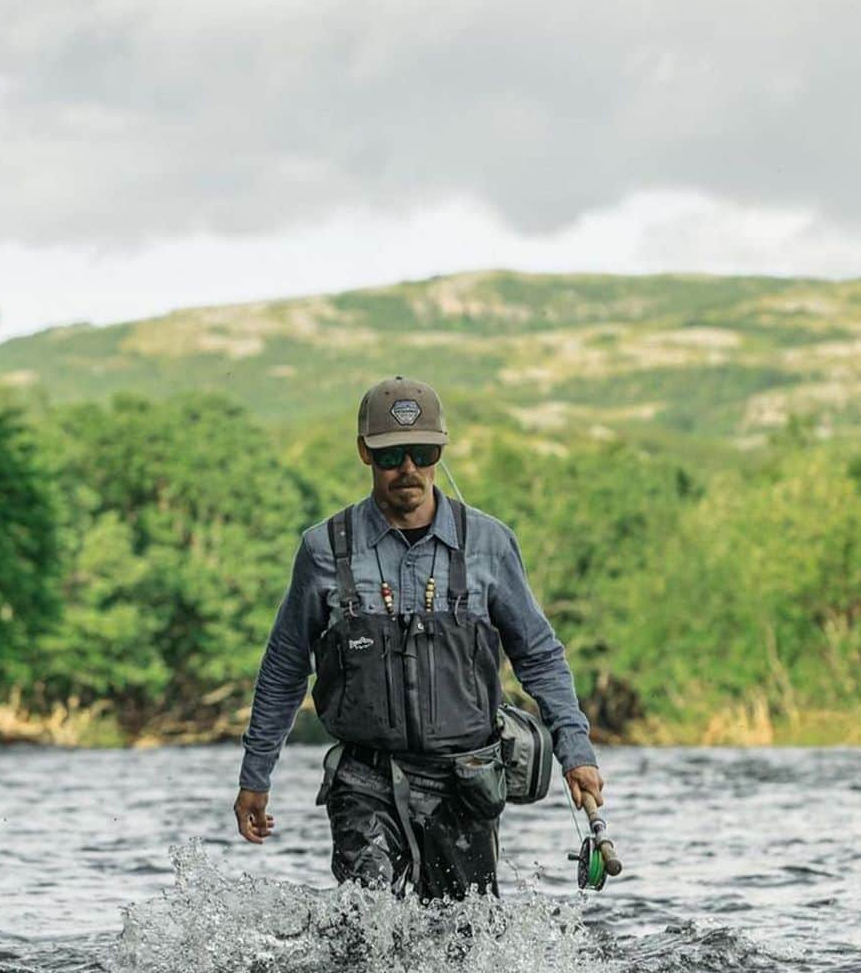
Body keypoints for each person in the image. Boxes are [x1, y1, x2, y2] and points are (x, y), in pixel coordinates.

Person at [233, 376, 604, 899]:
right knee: (366, 927)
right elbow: (285, 668)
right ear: (364, 452)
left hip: (465, 782)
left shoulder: (490, 544)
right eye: (391, 455)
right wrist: (256, 775)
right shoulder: (322, 549)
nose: (409, 468)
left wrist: (577, 752)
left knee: (461, 945)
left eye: (423, 452)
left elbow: (540, 656)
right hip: (363, 780)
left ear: (440, 450)